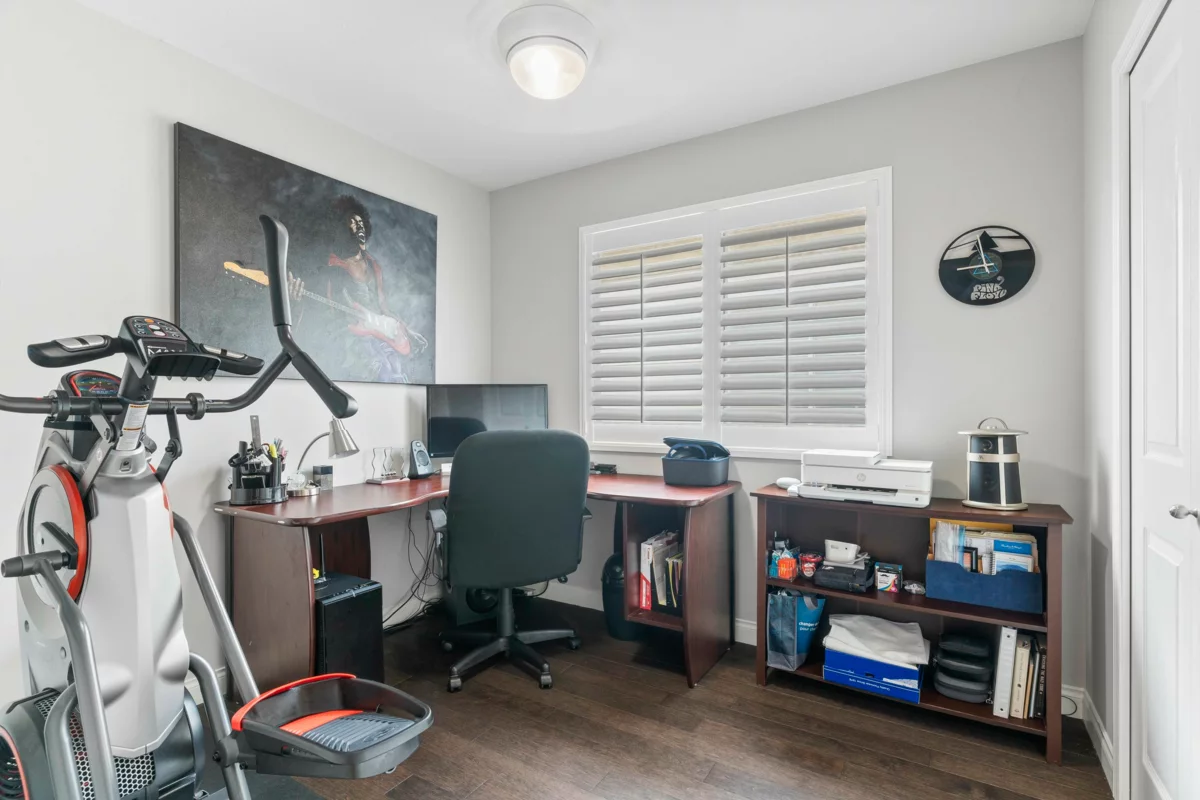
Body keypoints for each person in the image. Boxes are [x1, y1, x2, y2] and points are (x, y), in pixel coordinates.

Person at [288, 195, 427, 382]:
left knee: (399, 377)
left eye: (361, 223)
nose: (359, 226)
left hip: (382, 340)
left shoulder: (374, 264)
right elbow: (320, 316)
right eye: (352, 223)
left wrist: (407, 331)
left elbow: (384, 310)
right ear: (338, 228)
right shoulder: (328, 267)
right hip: (351, 346)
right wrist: (295, 300)